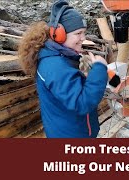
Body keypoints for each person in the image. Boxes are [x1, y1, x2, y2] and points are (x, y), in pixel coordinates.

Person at [18, 0, 108, 138]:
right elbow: (81, 103)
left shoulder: (62, 57)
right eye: (78, 33)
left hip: (76, 131)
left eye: (84, 32)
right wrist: (99, 69)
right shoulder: (55, 66)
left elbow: (71, 88)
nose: (83, 38)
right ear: (59, 34)